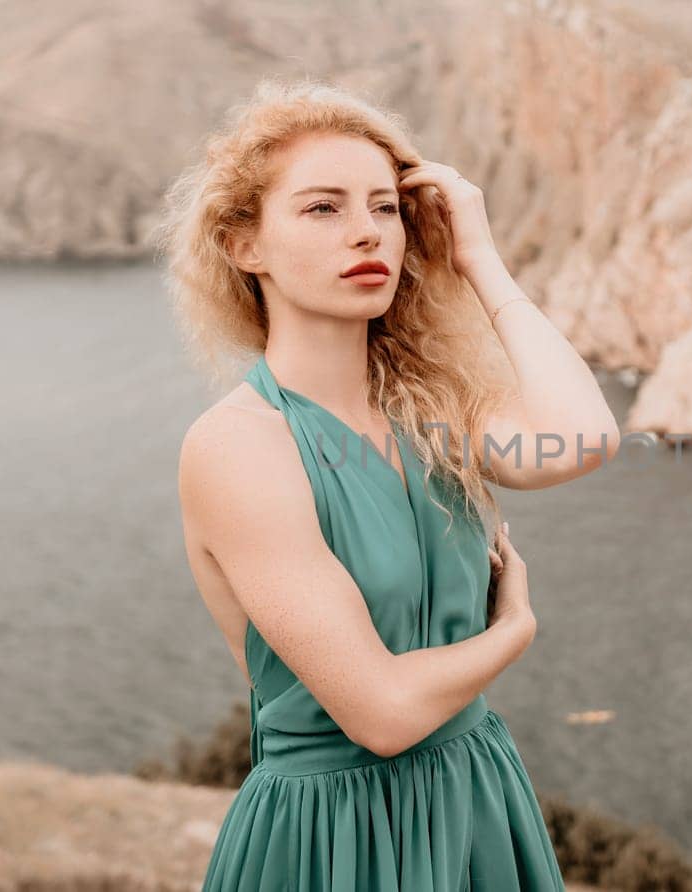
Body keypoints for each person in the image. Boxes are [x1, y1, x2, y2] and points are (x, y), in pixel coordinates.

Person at [158, 77, 621, 890]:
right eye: (323, 208)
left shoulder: (430, 413)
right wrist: (512, 631)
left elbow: (585, 439)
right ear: (244, 245)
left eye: (386, 207)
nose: (367, 233)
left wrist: (478, 257)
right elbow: (382, 714)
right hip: (335, 842)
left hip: (477, 805)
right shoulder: (239, 446)